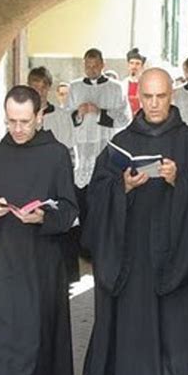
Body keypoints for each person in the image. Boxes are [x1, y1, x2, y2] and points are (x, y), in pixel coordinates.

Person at [83, 68, 188, 375]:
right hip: (136, 253)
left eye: (161, 96)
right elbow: (96, 194)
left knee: (179, 326)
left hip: (180, 252)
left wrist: (179, 181)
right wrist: (122, 186)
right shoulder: (122, 143)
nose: (154, 104)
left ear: (172, 95)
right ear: (138, 97)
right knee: (138, 326)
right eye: (148, 97)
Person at [0, 85, 79, 375]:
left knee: (34, 328)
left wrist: (44, 218)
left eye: (24, 122)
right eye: (11, 122)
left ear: (40, 116)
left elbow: (70, 209)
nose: (17, 129)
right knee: (0, 326)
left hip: (42, 257)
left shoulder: (56, 154)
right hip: (5, 255)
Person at [68, 48, 131, 258]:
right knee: (83, 199)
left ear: (103, 64)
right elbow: (66, 117)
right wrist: (78, 113)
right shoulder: (75, 87)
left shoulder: (115, 87)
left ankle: (104, 245)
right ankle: (84, 248)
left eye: (95, 66)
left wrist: (99, 112)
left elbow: (125, 118)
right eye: (88, 66)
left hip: (105, 147)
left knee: (104, 200)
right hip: (82, 151)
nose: (92, 70)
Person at [28, 67, 79, 283]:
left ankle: (62, 277)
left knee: (58, 231)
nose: (38, 92)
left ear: (48, 88)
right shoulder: (22, 116)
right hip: (29, 183)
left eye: (42, 87)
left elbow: (68, 151)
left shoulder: (61, 116)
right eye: (34, 87)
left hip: (54, 183)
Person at [122, 47, 146, 116]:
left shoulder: (146, 84)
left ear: (142, 66)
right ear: (128, 66)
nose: (134, 66)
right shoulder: (123, 84)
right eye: (131, 63)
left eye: (137, 64)